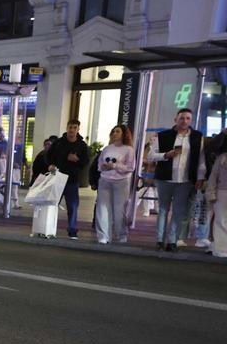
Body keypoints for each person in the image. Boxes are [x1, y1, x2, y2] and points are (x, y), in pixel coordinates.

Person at [146, 108, 205, 251]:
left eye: (187, 118)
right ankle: (160, 240)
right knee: (163, 209)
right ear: (175, 119)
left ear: (191, 121)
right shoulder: (163, 135)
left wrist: (200, 177)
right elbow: (150, 156)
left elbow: (201, 159)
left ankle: (172, 240)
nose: (184, 121)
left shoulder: (197, 137)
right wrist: (166, 155)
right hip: (165, 178)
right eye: (182, 118)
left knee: (178, 211)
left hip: (185, 180)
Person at [47, 120, 90, 239]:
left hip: (72, 180)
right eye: (70, 127)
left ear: (78, 129)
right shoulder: (59, 143)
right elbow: (48, 155)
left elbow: (85, 162)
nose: (72, 130)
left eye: (74, 128)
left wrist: (77, 160)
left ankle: (72, 230)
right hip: (57, 178)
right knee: (52, 204)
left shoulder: (81, 145)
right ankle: (49, 228)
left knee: (73, 206)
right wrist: (50, 164)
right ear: (67, 128)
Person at [93, 125, 136, 245]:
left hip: (121, 182)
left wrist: (116, 166)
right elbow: (99, 165)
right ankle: (103, 236)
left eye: (117, 131)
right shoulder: (107, 148)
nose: (115, 133)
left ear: (124, 134)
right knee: (102, 209)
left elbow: (131, 167)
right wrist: (104, 167)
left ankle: (121, 233)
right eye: (113, 131)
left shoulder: (128, 150)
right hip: (105, 180)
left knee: (119, 210)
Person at [206, 146, 226, 257]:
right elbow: (213, 177)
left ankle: (220, 248)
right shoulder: (221, 159)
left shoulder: (221, 158)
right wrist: (211, 193)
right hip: (221, 192)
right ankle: (221, 249)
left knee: (221, 221)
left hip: (221, 192)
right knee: (220, 221)